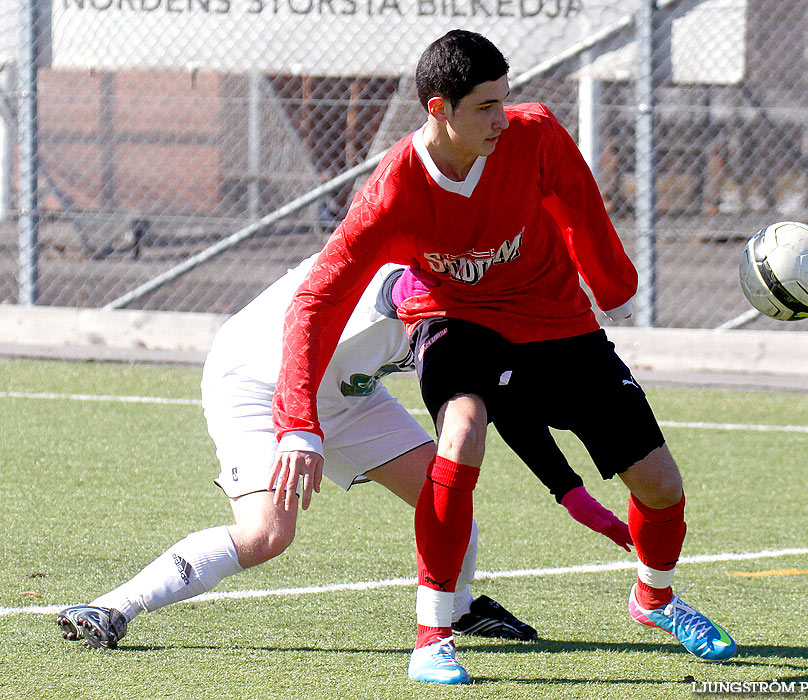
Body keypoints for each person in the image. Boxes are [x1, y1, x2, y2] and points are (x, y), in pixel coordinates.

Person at [271, 30, 736, 686]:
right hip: (451, 318)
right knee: (459, 429)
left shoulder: (534, 133)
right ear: (439, 109)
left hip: (555, 319)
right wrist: (298, 422)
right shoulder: (393, 192)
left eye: (504, 100)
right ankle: (431, 636)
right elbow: (316, 301)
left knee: (660, 485)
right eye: (485, 107)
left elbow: (578, 202)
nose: (502, 117)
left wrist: (610, 282)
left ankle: (653, 600)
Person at [55, 256, 538, 649]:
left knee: (448, 496)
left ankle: (458, 607)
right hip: (259, 378)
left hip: (345, 390)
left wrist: (569, 489)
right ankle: (115, 606)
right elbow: (372, 301)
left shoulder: (494, 291)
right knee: (266, 534)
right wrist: (300, 432)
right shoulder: (403, 282)